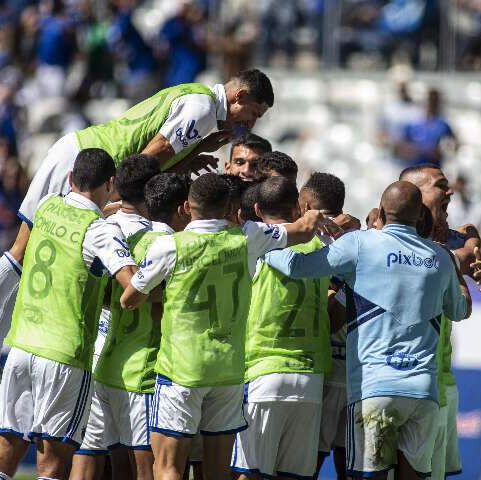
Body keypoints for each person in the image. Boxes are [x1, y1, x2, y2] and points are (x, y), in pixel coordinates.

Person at [0, 69, 275, 401]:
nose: (251, 124)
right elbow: (145, 160)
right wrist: (119, 197)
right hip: (88, 166)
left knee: (31, 256)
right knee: (22, 251)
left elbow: (151, 153)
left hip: (89, 162)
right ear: (239, 97)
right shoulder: (201, 109)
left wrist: (185, 162)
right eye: (253, 114)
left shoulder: (197, 98)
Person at [120, 173, 333, 480]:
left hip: (182, 368)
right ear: (230, 206)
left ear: (185, 208)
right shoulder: (248, 236)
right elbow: (301, 231)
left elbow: (129, 300)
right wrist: (312, 212)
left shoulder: (169, 246)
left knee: (167, 467)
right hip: (228, 371)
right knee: (218, 471)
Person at [264, 181, 472, 480]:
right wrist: (459, 283)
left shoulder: (361, 244)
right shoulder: (439, 258)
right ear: (419, 215)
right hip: (422, 391)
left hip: (375, 389)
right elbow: (459, 311)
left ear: (383, 211)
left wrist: (265, 247)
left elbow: (298, 267)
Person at [0, 149, 136, 480]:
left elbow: (82, 206)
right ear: (110, 183)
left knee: (2, 455)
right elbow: (131, 283)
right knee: (52, 465)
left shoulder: (48, 207)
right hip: (65, 357)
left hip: (22, 348)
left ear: (70, 180)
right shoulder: (100, 231)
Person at [70, 165, 192, 480]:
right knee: (146, 470)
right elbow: (154, 306)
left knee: (103, 464)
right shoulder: (165, 240)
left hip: (106, 362)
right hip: (143, 369)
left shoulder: (107, 227)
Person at [399, 164, 481, 480]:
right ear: (414, 193)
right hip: (391, 376)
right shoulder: (386, 239)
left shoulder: (456, 240)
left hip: (439, 383)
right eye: (440, 186)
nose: (450, 192)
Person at [231, 176, 332, 480]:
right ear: (299, 207)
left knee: (248, 472)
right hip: (310, 378)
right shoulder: (323, 245)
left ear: (258, 209)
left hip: (264, 372)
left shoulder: (253, 244)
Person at [299, 173, 349, 480]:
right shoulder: (353, 242)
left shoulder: (300, 242)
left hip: (322, 373)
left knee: (306, 468)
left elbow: (331, 319)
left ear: (305, 204)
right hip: (357, 377)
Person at [395, 88, 457, 167]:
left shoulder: (443, 125)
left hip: (433, 169)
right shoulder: (413, 123)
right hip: (413, 169)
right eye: (430, 100)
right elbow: (399, 147)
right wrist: (415, 150)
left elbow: (453, 147)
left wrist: (441, 152)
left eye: (435, 100)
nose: (431, 103)